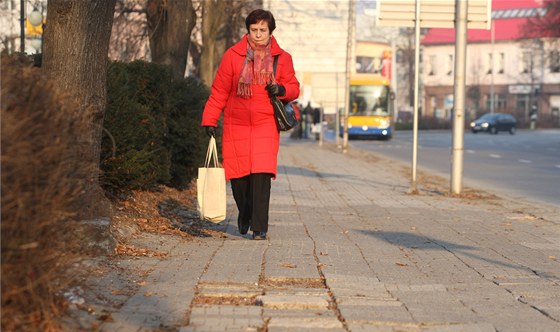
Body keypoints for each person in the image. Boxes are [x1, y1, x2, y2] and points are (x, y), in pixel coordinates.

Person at [201, 9, 300, 240]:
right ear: (248, 30)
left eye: (262, 30)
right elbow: (219, 91)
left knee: (261, 176)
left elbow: (294, 86)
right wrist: (210, 118)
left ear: (270, 31)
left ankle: (259, 227)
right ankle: (244, 213)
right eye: (253, 30)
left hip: (266, 123)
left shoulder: (282, 58)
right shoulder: (232, 56)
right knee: (239, 180)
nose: (257, 35)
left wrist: (282, 89)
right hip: (237, 123)